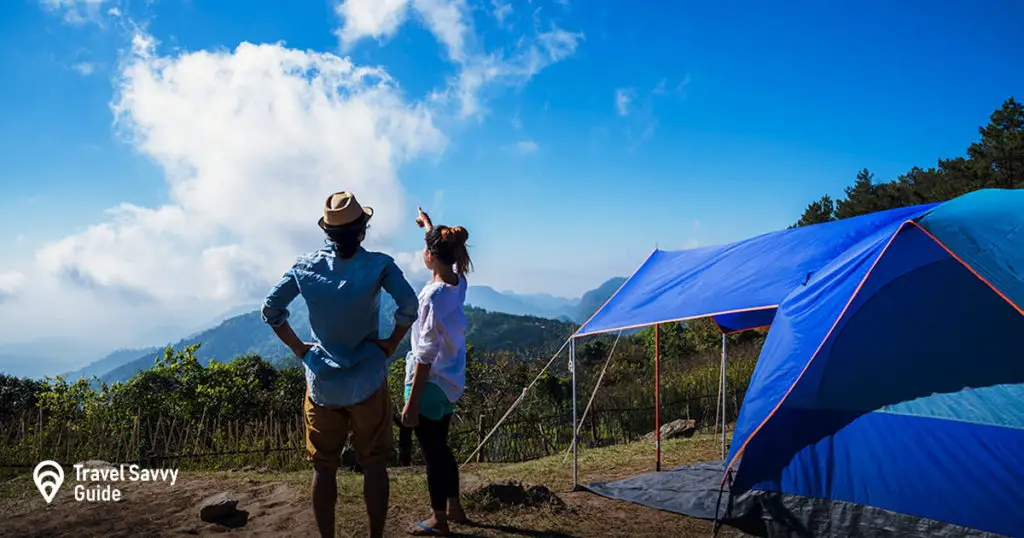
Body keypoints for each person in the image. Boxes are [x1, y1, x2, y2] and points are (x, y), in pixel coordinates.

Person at [261, 191, 419, 538]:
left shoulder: (304, 267)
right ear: (363, 229)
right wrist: (391, 344)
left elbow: (272, 310)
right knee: (374, 464)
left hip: (322, 383)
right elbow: (409, 305)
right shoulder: (380, 265)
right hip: (368, 378)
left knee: (324, 467)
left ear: (327, 233)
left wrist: (301, 350)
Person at [401, 207, 472, 536]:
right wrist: (428, 225)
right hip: (450, 381)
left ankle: (438, 519)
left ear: (430, 255)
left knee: (433, 453)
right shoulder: (458, 283)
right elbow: (440, 251)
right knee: (441, 445)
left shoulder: (431, 296)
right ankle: (455, 508)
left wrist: (411, 402)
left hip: (427, 383)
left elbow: (425, 354)